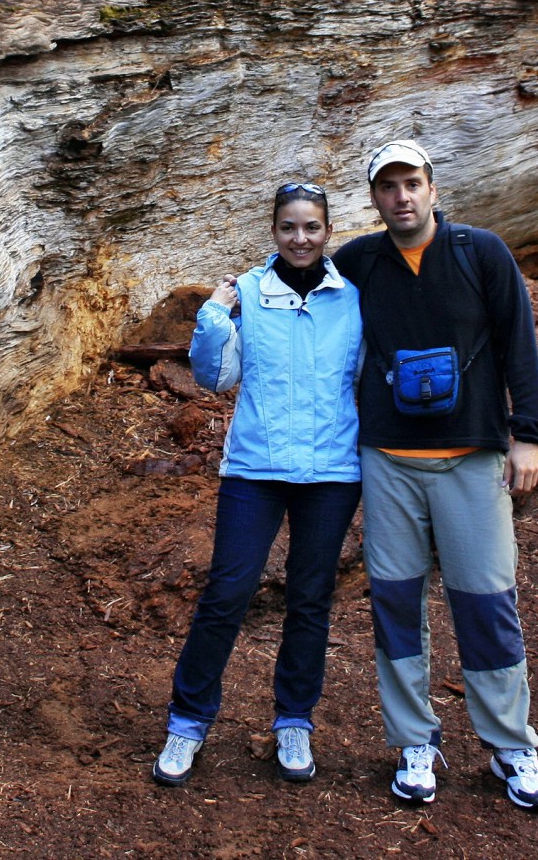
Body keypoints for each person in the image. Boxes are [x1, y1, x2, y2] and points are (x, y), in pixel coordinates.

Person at [330, 139, 538, 810]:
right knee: (396, 603)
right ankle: (413, 742)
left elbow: (520, 339)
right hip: (388, 459)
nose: (401, 196)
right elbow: (302, 287)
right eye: (388, 186)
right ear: (374, 196)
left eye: (412, 182)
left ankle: (512, 743)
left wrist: (527, 435)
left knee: (486, 601)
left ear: (432, 186)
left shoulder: (479, 252)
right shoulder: (359, 261)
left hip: (473, 454)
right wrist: (235, 297)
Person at [153, 182, 365, 788]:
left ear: (328, 233)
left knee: (310, 600)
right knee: (227, 594)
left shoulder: (351, 297)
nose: (300, 239)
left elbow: (365, 375)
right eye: (289, 228)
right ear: (274, 232)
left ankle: (293, 720)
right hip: (256, 468)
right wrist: (214, 315)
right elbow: (216, 378)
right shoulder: (247, 291)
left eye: (312, 228)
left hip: (330, 472)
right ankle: (187, 723)